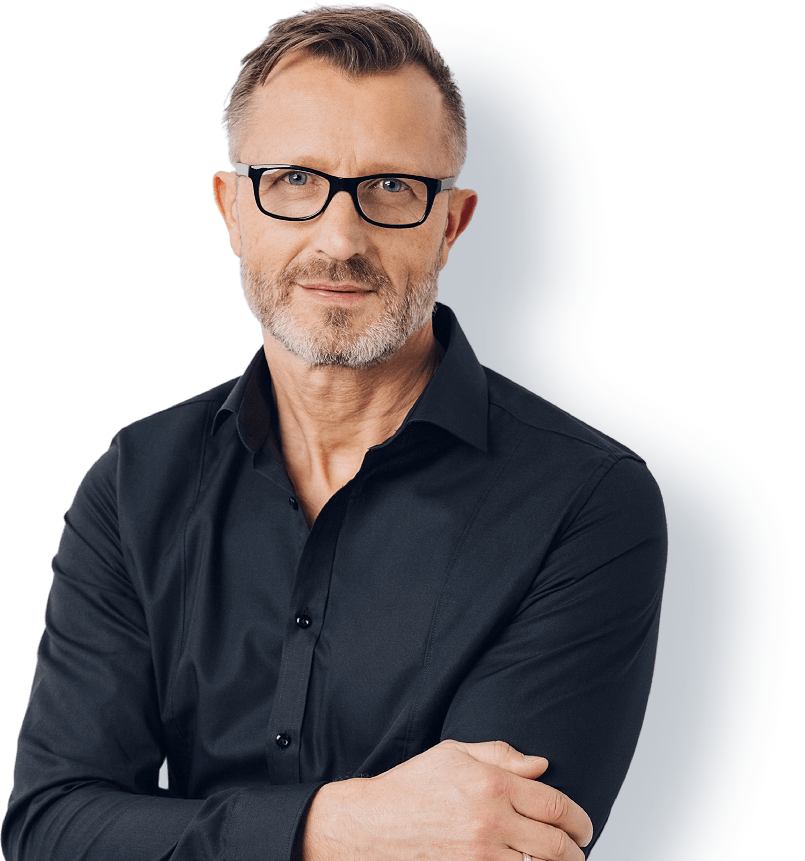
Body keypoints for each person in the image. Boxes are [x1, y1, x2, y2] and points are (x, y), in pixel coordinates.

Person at [2, 4, 667, 860]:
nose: (339, 238)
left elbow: (503, 846)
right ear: (232, 208)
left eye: (391, 187)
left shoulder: (584, 500)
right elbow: (52, 828)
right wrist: (333, 826)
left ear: (449, 224)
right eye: (293, 180)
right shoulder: (137, 480)